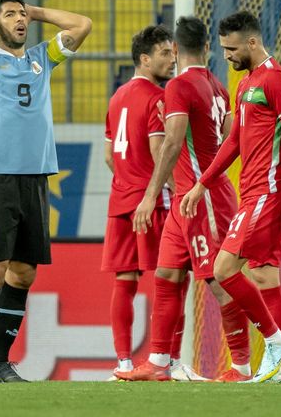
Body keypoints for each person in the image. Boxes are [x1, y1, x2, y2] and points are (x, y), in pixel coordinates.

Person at [0, 0, 91, 382]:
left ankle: (1, 362)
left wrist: (36, 12)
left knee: (24, 273)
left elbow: (82, 25)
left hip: (37, 177)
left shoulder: (42, 59)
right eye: (10, 15)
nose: (20, 19)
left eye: (22, 14)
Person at [117, 16, 251, 382]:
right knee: (167, 274)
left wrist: (149, 196)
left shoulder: (178, 86)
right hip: (189, 197)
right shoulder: (218, 87)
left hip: (201, 198)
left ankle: (242, 366)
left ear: (175, 49)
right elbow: (229, 139)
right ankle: (159, 362)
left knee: (218, 280)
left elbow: (173, 142)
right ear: (207, 47)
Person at [180, 10, 281, 383]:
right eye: (223, 48)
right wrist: (202, 183)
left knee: (223, 269)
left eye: (232, 48)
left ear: (252, 42)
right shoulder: (246, 82)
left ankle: (277, 342)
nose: (227, 55)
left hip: (269, 190)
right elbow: (234, 140)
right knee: (264, 275)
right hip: (251, 190)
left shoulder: (276, 78)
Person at [101, 25, 175, 379]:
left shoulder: (117, 97)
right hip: (152, 202)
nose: (172, 59)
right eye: (164, 53)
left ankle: (123, 362)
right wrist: (174, 190)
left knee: (125, 280)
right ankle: (168, 359)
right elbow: (160, 152)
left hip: (121, 201)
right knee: (171, 277)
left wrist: (128, 183)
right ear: (145, 59)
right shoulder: (158, 98)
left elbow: (108, 155)